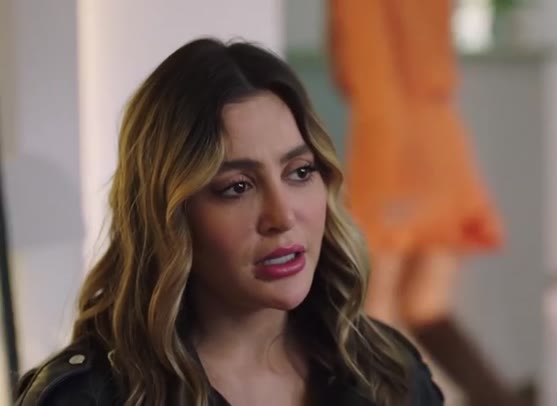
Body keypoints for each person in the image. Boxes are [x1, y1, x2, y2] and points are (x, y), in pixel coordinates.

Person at [13, 38, 444, 406]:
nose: (282, 216)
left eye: (299, 172)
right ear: (169, 215)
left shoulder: (389, 372)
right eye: (237, 187)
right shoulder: (88, 396)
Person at [329, 1, 532, 405]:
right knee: (426, 305)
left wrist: (385, 177)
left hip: (394, 150)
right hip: (442, 143)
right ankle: (499, 400)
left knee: (371, 312)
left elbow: (364, 72)